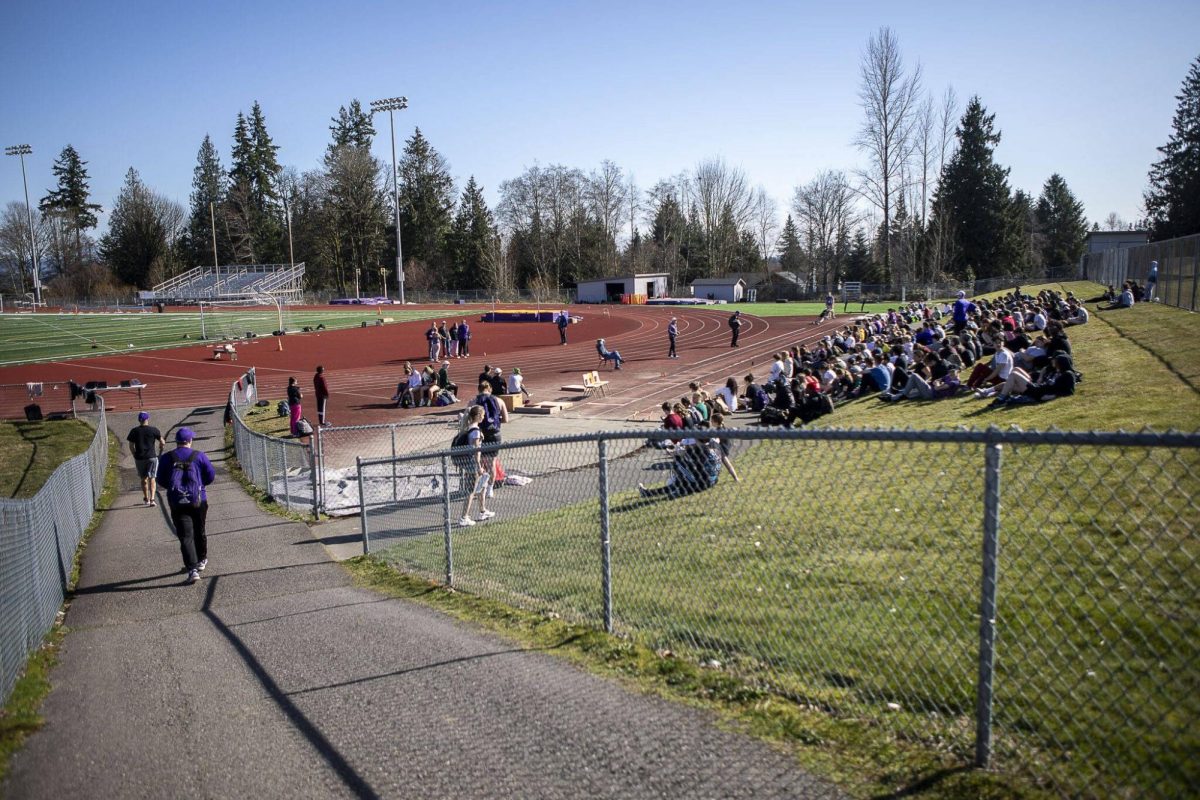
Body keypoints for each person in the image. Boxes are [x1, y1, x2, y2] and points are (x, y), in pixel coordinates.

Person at [157, 427, 216, 584]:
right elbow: (210, 475)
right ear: (190, 441)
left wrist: (172, 488)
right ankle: (202, 559)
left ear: (177, 442)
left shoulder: (167, 458)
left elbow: (161, 479)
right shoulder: (199, 456)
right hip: (198, 499)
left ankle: (192, 570)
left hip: (177, 502)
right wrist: (200, 485)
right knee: (200, 530)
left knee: (185, 536)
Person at [454, 405, 494, 526]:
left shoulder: (468, 428)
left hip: (469, 462)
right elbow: (476, 450)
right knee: (471, 490)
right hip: (473, 463)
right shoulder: (475, 431)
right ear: (477, 416)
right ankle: (464, 517)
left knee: (482, 485)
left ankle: (482, 510)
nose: (484, 417)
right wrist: (478, 466)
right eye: (482, 415)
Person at [127, 411, 165, 507]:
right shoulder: (153, 430)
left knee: (143, 479)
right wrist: (161, 446)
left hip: (140, 458)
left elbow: (131, 445)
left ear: (139, 420)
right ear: (147, 419)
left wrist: (134, 454)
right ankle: (152, 499)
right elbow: (162, 441)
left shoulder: (134, 431)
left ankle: (146, 498)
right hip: (152, 457)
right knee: (152, 478)